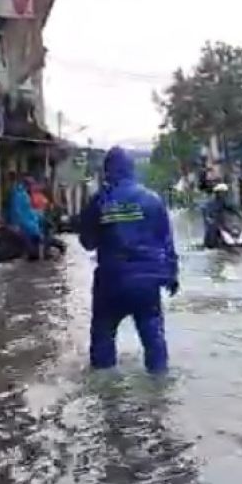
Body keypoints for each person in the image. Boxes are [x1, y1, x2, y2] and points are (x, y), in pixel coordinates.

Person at [79, 146, 179, 373]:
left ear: (107, 171)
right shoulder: (152, 199)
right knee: (154, 340)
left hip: (111, 281)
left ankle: (107, 398)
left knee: (103, 340)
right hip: (147, 282)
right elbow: (167, 242)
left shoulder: (99, 201)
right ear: (132, 169)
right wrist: (172, 275)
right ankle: (159, 397)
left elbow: (87, 243)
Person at [7, 176, 44, 260]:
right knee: (31, 249)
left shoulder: (24, 194)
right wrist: (16, 224)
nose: (33, 187)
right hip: (26, 226)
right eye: (32, 185)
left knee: (35, 246)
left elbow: (28, 209)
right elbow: (17, 211)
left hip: (31, 225)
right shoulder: (20, 195)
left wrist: (37, 216)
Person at [202, 183, 240, 248]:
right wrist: (209, 218)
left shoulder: (223, 201)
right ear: (218, 193)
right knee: (212, 237)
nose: (223, 194)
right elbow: (207, 212)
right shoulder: (211, 202)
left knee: (229, 232)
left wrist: (238, 213)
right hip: (213, 223)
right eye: (222, 193)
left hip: (221, 222)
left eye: (224, 193)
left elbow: (229, 208)